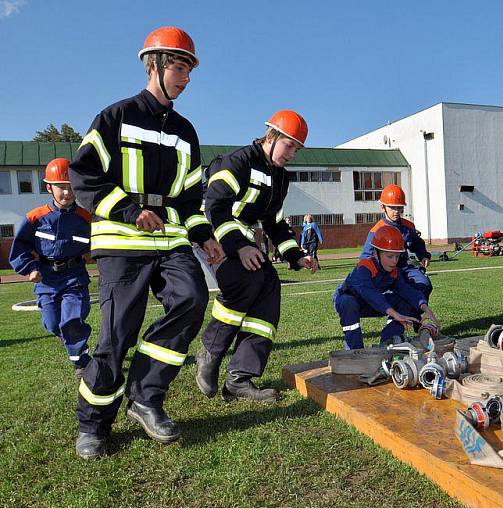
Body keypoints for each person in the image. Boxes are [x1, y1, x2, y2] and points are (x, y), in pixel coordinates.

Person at [69, 27, 224, 459]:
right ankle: (93, 425)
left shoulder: (185, 131)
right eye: (179, 67)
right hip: (121, 241)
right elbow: (84, 177)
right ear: (153, 65)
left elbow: (191, 197)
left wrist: (204, 235)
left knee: (192, 300)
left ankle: (145, 396)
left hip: (171, 239)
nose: (186, 78)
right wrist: (129, 210)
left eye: (189, 70)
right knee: (116, 335)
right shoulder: (114, 117)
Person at [196, 110, 318, 402]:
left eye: (297, 149)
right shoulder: (236, 162)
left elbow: (273, 223)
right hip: (210, 235)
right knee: (245, 280)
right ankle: (210, 353)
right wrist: (239, 245)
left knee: (268, 287)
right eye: (289, 145)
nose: (292, 154)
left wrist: (296, 255)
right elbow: (215, 207)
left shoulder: (281, 178)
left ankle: (240, 377)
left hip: (242, 240)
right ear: (271, 136)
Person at [9, 158, 92, 378]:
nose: (67, 193)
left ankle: (81, 363)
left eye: (71, 187)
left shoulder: (86, 218)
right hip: (46, 279)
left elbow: (100, 241)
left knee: (72, 319)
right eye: (61, 187)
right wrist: (29, 268)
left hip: (74, 277)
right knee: (52, 323)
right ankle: (67, 337)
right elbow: (21, 247)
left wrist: (95, 252)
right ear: (49, 187)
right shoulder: (35, 217)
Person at [334, 225, 439, 350]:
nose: (394, 261)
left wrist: (425, 308)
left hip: (372, 303)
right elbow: (370, 293)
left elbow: (407, 291)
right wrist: (395, 314)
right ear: (375, 253)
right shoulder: (364, 268)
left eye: (397, 256)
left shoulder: (393, 271)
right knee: (348, 303)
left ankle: (389, 341)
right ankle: (355, 352)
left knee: (403, 299)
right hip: (350, 300)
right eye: (390, 256)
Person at [359, 184, 432, 300]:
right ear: (383, 207)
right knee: (394, 293)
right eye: (392, 208)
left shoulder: (408, 226)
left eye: (399, 208)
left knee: (424, 284)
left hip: (405, 268)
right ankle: (394, 317)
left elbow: (417, 243)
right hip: (386, 272)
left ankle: (413, 315)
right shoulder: (376, 230)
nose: (397, 211)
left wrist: (423, 255)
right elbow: (365, 257)